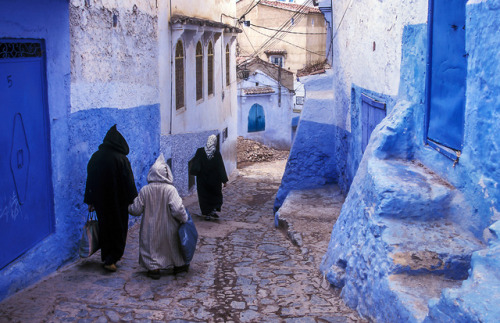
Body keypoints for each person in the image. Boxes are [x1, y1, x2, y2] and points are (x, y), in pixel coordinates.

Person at [84, 125, 137, 272]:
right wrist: (133, 199)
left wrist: (90, 201)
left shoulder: (96, 157)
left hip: (101, 202)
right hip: (118, 203)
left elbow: (90, 180)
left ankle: (107, 255)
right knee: (119, 228)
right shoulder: (121, 159)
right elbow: (128, 182)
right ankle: (112, 258)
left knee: (105, 227)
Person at [128, 154, 189, 280]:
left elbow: (136, 210)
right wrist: (184, 219)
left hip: (149, 227)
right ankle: (178, 265)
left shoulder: (145, 190)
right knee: (172, 245)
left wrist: (127, 206)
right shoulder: (170, 189)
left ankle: (154, 268)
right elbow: (178, 208)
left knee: (151, 246)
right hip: (169, 226)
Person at [191, 134, 228, 221]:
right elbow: (220, 167)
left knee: (204, 196)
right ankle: (213, 210)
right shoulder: (216, 153)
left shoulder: (200, 151)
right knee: (215, 195)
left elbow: (195, 164)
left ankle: (206, 213)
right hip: (214, 180)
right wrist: (224, 180)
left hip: (202, 179)